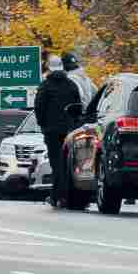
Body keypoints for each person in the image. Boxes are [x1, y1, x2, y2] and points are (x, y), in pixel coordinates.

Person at [34, 53, 81, 207]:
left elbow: (39, 108)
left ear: (49, 69)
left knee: (56, 164)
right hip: (69, 130)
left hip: (52, 132)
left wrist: (43, 125)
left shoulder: (45, 86)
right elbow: (77, 107)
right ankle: (64, 195)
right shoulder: (71, 85)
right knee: (68, 163)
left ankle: (58, 196)